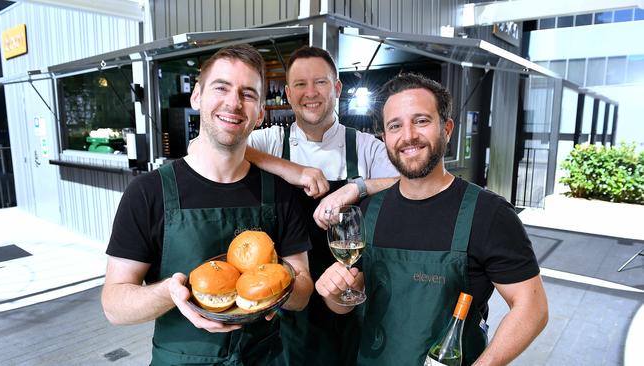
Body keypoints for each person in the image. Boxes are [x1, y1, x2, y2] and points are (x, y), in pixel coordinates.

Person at [101, 44, 314, 366]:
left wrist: (278, 290)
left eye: (248, 94)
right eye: (221, 88)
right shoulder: (148, 192)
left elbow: (302, 294)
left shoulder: (280, 193)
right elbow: (114, 305)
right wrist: (171, 292)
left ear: (259, 113)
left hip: (264, 358)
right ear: (197, 96)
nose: (233, 102)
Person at [315, 73, 548, 366]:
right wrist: (332, 295)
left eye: (421, 121)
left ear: (446, 129)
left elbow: (532, 307)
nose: (408, 135)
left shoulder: (489, 213)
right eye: (395, 126)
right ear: (384, 138)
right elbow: (347, 304)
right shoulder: (368, 210)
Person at [244, 46, 399, 365]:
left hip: (350, 297)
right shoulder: (272, 142)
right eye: (300, 84)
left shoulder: (365, 146)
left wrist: (356, 188)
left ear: (338, 88)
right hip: (287, 303)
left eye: (321, 82)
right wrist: (293, 170)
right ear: (287, 93)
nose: (310, 92)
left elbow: (413, 183)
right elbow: (204, 145)